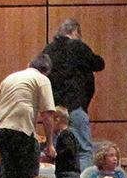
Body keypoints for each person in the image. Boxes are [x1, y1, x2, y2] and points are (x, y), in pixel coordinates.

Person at [0, 55, 54, 178]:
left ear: (28, 64)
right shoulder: (42, 79)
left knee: (8, 175)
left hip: (2, 129)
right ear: (46, 71)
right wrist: (50, 144)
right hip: (22, 129)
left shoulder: (10, 78)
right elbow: (47, 114)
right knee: (30, 175)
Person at [40, 19, 105, 162]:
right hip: (76, 105)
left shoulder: (48, 50)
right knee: (83, 150)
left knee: (56, 150)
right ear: (75, 32)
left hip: (55, 109)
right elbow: (99, 64)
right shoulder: (77, 46)